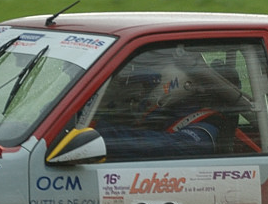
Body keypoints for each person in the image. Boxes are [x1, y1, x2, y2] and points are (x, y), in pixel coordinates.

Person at [92, 47, 230, 159]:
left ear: (178, 83)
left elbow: (158, 145)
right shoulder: (162, 117)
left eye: (146, 87)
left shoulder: (204, 129)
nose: (140, 95)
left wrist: (95, 134)